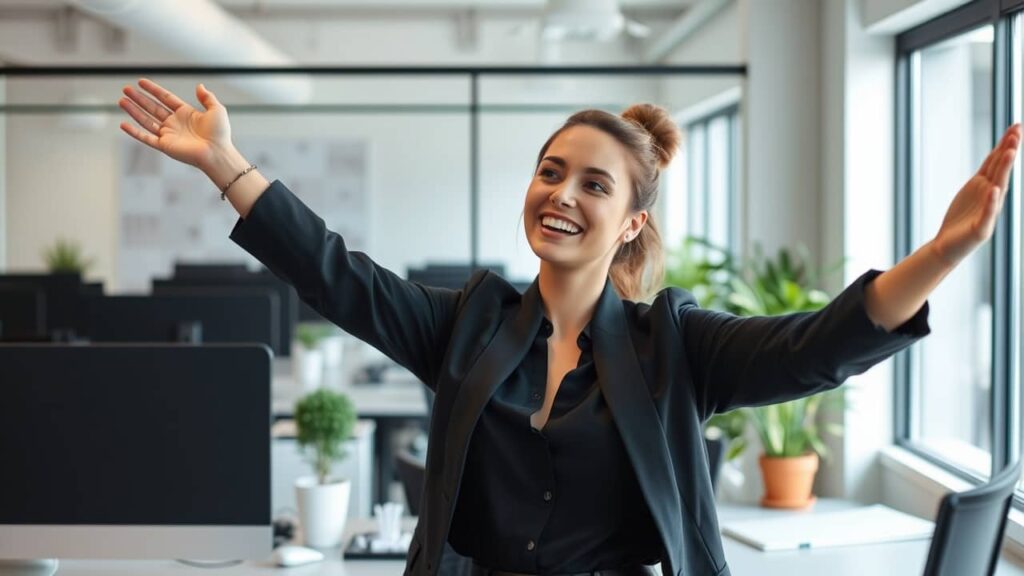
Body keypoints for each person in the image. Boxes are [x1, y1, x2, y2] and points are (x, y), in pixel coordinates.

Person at [118, 78, 1020, 576]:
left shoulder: (676, 342)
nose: (562, 194)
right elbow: (334, 275)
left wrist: (942, 251)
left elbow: (816, 348)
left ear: (631, 222)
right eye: (552, 172)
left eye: (595, 184)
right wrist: (224, 162)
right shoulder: (466, 324)